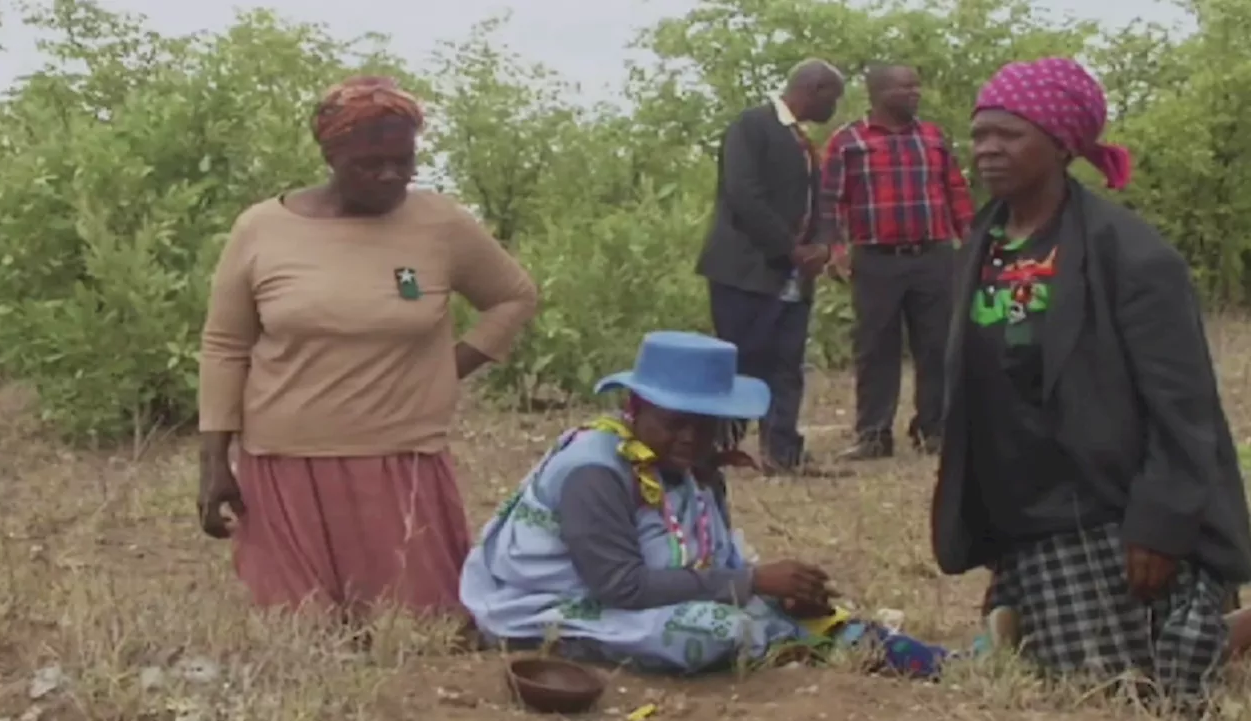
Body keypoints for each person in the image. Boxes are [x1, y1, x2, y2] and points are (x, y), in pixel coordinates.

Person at [932, 58, 1251, 708]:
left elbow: (1183, 406)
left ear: (1061, 143)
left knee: (1129, 693)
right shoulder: (981, 243)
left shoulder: (1130, 254)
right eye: (981, 133)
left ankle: (1221, 627)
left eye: (1009, 134)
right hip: (1023, 513)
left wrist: (1159, 523)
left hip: (1108, 509)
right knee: (1069, 678)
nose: (987, 149)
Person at [195, 76, 539, 623]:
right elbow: (225, 344)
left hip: (401, 464)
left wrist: (446, 370)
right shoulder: (262, 229)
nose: (391, 175)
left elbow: (514, 297)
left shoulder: (439, 223)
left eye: (404, 160)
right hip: (285, 464)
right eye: (370, 163)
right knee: (303, 635)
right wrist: (214, 460)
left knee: (422, 632)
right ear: (331, 155)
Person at [460, 331, 954, 675]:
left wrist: (763, 588)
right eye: (675, 422)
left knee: (781, 611)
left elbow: (710, 562)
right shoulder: (595, 468)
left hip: (641, 598)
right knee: (718, 629)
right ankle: (813, 643)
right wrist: (752, 584)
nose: (690, 438)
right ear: (637, 409)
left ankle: (933, 661)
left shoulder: (695, 469)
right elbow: (619, 585)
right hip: (555, 607)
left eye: (706, 424)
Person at [695, 59, 847, 478]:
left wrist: (819, 247)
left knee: (786, 362)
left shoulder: (801, 140)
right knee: (739, 360)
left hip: (793, 276)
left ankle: (783, 453)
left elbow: (815, 203)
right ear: (814, 88)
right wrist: (789, 248)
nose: (835, 108)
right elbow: (743, 195)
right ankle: (720, 450)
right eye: (833, 98)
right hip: (745, 270)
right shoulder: (752, 125)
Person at [819, 64, 974, 461]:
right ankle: (873, 434)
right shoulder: (847, 141)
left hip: (933, 253)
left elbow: (955, 189)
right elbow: (830, 201)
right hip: (876, 259)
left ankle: (933, 429)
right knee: (875, 348)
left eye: (916, 85)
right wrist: (835, 249)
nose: (914, 92)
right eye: (904, 86)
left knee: (937, 344)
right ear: (878, 93)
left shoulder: (933, 137)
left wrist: (969, 237)